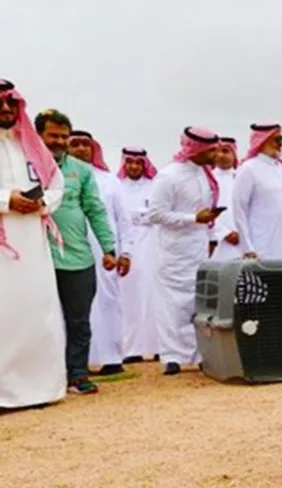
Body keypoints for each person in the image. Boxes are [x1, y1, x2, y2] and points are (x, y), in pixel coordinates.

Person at [38, 110, 117, 394]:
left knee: (79, 320)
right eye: (53, 135)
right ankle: (41, 378)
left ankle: (78, 375)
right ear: (39, 136)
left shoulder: (81, 171)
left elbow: (95, 209)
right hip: (36, 257)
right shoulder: (25, 165)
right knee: (38, 320)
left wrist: (109, 247)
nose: (59, 141)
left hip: (77, 257)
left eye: (63, 136)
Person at [0, 80, 68, 409]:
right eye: (0, 104)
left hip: (32, 241)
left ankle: (40, 389)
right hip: (3, 239)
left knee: (36, 311)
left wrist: (42, 203)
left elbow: (56, 182)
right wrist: (6, 200)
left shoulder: (29, 145)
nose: (5, 110)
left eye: (11, 104)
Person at [147, 126, 222, 376]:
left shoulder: (204, 175)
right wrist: (192, 218)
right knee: (172, 305)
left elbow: (206, 213)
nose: (216, 154)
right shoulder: (169, 176)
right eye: (211, 150)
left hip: (198, 248)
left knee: (197, 301)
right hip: (174, 252)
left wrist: (209, 232)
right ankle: (172, 357)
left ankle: (200, 354)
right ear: (197, 149)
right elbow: (156, 214)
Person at [67, 130, 131, 376]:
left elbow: (124, 221)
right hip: (70, 250)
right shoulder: (56, 176)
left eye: (86, 144)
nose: (81, 149)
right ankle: (76, 362)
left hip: (106, 253)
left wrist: (126, 253)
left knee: (108, 301)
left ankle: (112, 357)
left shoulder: (109, 181)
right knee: (74, 306)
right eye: (76, 144)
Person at [229, 121, 282, 260]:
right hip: (262, 247)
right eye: (277, 139)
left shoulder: (281, 169)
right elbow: (239, 209)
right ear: (263, 140)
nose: (281, 143)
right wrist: (247, 248)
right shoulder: (249, 169)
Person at [115, 147, 159, 362]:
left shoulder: (155, 186)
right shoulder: (118, 186)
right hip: (126, 245)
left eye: (138, 162)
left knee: (153, 294)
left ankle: (157, 346)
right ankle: (130, 349)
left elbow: (158, 214)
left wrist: (140, 216)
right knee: (128, 297)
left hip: (152, 244)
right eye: (130, 162)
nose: (134, 166)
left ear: (144, 164)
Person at [209, 136, 238, 257]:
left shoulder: (242, 177)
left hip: (244, 239)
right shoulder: (208, 179)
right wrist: (224, 233)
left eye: (225, 151)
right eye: (217, 151)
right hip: (216, 240)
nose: (221, 155)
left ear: (234, 154)